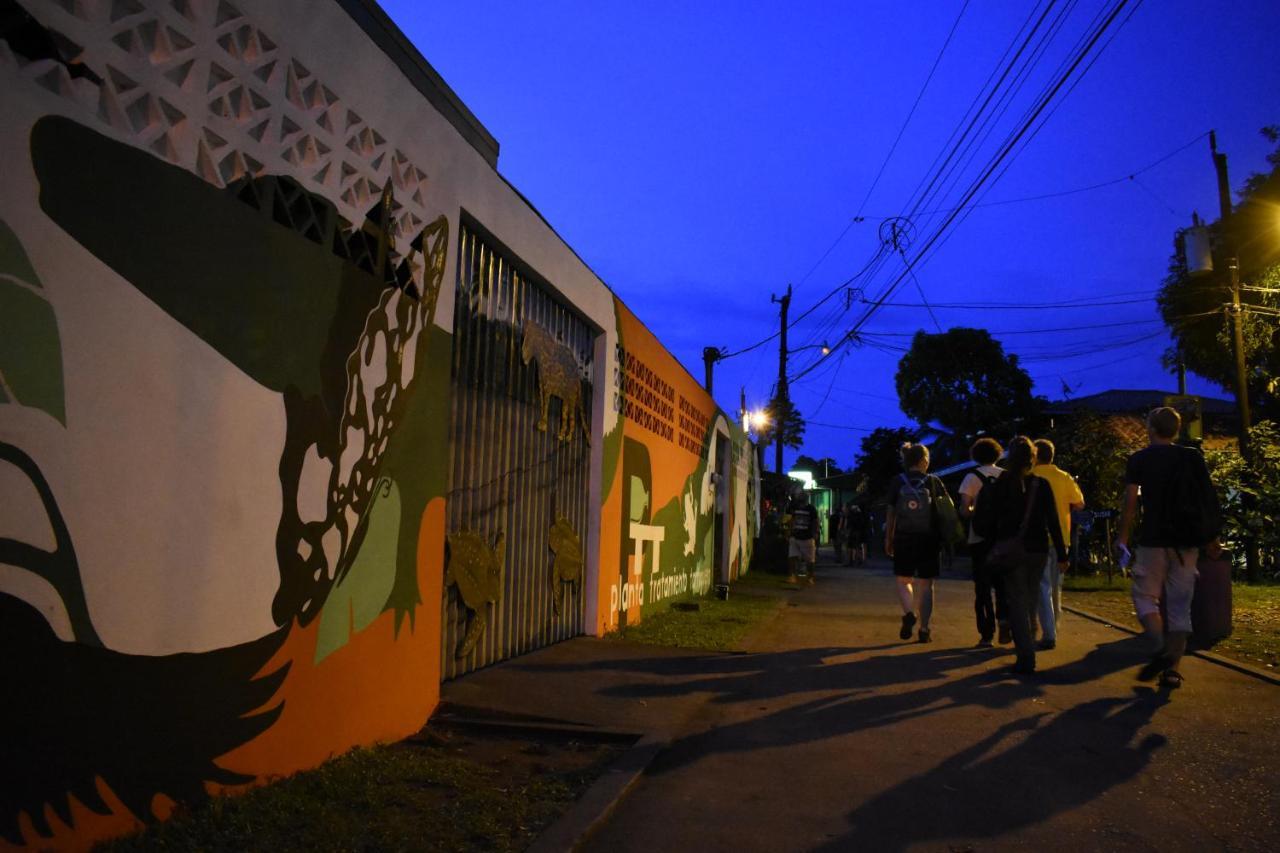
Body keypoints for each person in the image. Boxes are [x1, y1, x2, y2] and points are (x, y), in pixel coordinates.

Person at [1115, 407, 1222, 689]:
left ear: (1150, 428)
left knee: (1145, 597)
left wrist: (1123, 537)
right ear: (1176, 430)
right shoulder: (1192, 457)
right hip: (1187, 542)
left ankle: (1159, 645)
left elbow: (1130, 503)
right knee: (1180, 606)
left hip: (1153, 539)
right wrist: (1212, 536)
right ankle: (1172, 670)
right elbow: (1208, 498)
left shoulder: (1139, 459)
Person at [973, 436, 1067, 675]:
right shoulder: (1042, 485)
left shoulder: (999, 485)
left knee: (1015, 600)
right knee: (1032, 597)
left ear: (1009, 458)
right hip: (1038, 549)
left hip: (1010, 549)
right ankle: (1030, 635)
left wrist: (993, 540)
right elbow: (1053, 521)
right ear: (1033, 458)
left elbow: (985, 520)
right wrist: (1063, 553)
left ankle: (1026, 655)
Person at [884, 443, 944, 643]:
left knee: (903, 580)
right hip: (929, 539)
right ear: (924, 461)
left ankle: (909, 613)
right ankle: (925, 629)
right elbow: (945, 512)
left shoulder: (897, 482)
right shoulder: (934, 482)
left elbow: (891, 512)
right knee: (926, 584)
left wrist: (889, 538)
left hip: (903, 537)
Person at [1031, 439, 1085, 650]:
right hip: (1063, 536)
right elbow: (1079, 503)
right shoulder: (1064, 477)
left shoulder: (1032, 476)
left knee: (1042, 586)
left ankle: (1049, 632)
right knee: (1056, 586)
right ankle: (1055, 627)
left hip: (1038, 538)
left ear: (1035, 456)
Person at [957, 437, 1005, 647]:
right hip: (1003, 538)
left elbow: (964, 510)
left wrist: (975, 511)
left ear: (975, 455)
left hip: (979, 538)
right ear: (998, 454)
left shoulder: (971, 477)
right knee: (1003, 584)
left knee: (982, 587)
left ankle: (986, 634)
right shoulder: (1006, 476)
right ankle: (1005, 621)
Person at [787, 492, 819, 585]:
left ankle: (806, 577)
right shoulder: (806, 508)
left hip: (806, 537)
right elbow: (792, 520)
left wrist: (814, 533)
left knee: (807, 559)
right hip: (799, 536)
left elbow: (815, 522)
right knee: (795, 557)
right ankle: (803, 577)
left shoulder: (810, 509)